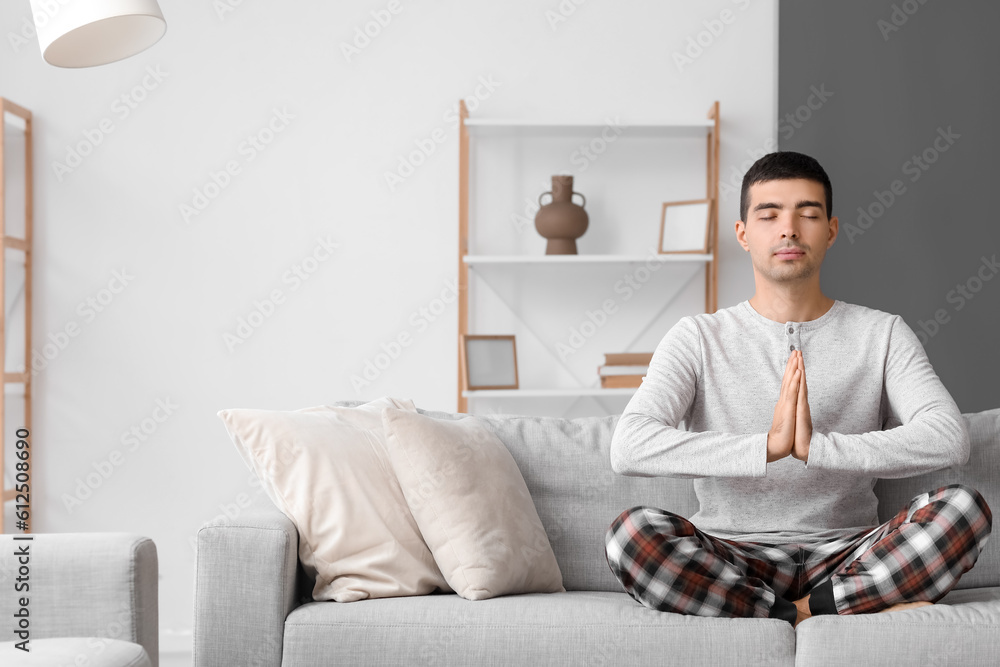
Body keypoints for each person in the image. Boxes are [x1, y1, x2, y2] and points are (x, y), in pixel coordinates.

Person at [604, 151, 992, 627]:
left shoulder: (882, 333)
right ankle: (820, 612)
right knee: (631, 534)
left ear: (829, 231)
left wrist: (819, 449)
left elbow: (948, 437)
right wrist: (765, 448)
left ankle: (794, 611)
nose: (788, 229)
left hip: (851, 555)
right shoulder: (697, 337)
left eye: (807, 214)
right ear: (743, 234)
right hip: (731, 557)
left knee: (963, 509)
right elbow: (629, 446)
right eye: (769, 215)